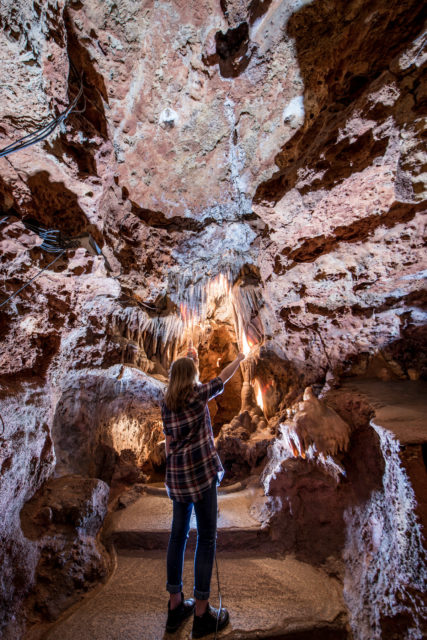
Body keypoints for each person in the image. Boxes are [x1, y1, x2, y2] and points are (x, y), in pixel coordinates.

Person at [161, 342, 245, 637]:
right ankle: (201, 612)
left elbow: (170, 444)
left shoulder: (166, 402)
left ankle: (175, 607)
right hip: (201, 474)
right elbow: (223, 378)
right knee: (207, 538)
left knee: (178, 536)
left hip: (178, 477)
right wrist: (241, 358)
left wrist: (189, 357)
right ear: (191, 378)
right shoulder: (197, 396)